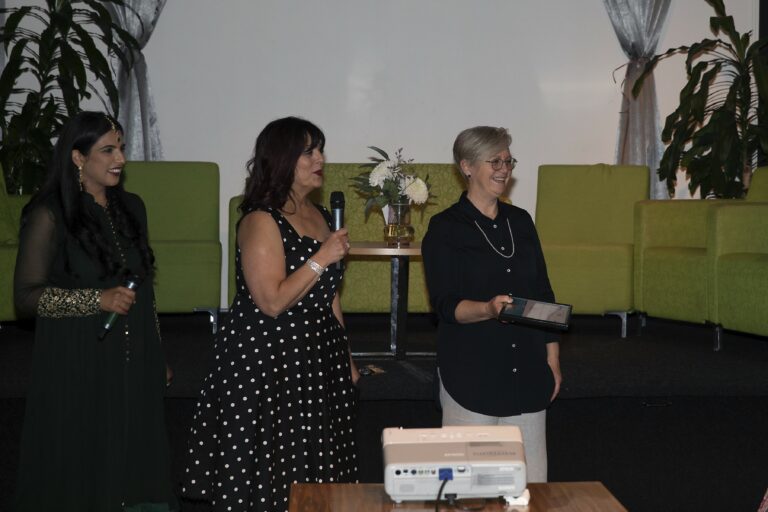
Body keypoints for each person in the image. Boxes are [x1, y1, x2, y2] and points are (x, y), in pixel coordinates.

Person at [182, 116, 359, 511]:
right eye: (309, 152)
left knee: (317, 469)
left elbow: (329, 294)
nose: (320, 159)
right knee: (273, 471)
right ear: (282, 160)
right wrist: (322, 256)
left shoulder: (318, 215)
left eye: (320, 150)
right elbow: (272, 301)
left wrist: (345, 355)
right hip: (268, 359)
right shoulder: (260, 219)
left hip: (318, 355)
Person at [13, 111, 177, 511]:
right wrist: (95, 300)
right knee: (83, 457)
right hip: (77, 355)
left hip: (133, 352)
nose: (120, 156)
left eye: (120, 146)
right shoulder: (49, 213)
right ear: (77, 157)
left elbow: (145, 289)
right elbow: (26, 298)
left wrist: (156, 352)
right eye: (107, 149)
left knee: (134, 456)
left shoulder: (133, 207)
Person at [421, 126, 562, 483]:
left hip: (529, 377)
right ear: (466, 166)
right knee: (469, 493)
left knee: (531, 492)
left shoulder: (521, 222)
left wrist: (553, 360)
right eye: (494, 160)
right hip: (473, 379)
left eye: (508, 160)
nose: (504, 168)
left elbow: (543, 292)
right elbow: (445, 306)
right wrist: (487, 309)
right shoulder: (444, 229)